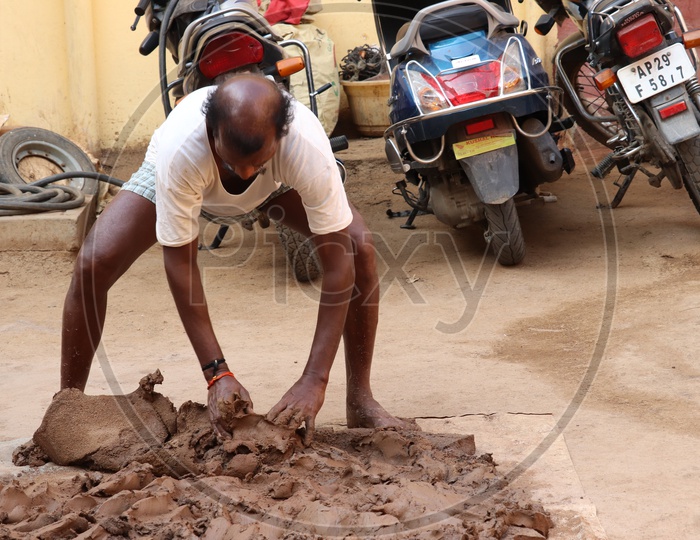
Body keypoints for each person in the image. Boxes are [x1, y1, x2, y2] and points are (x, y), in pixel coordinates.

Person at [60, 73, 402, 443]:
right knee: (92, 264)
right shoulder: (182, 148)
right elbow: (181, 263)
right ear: (211, 130)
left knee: (359, 247)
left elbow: (338, 264)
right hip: (193, 181)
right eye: (234, 161)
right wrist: (217, 373)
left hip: (275, 189)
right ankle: (65, 409)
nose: (244, 173)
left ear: (281, 134)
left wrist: (314, 379)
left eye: (256, 161)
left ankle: (361, 400)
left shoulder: (306, 144)